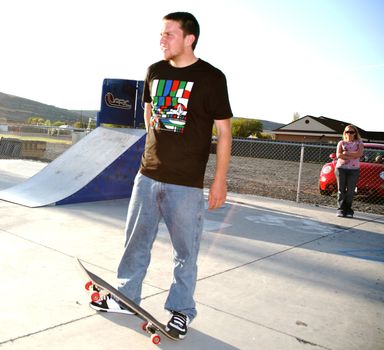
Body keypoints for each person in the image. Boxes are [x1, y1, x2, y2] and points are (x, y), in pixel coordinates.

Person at [90, 11, 233, 339]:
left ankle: (181, 310)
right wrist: (152, 129)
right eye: (161, 34)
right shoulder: (155, 71)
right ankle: (126, 296)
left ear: (189, 39)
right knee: (135, 241)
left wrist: (220, 179)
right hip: (148, 174)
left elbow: (224, 132)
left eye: (169, 34)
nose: (162, 40)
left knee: (186, 252)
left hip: (186, 183)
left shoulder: (212, 78)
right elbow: (148, 107)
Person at [334, 125, 364, 218]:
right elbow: (338, 155)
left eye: (351, 132)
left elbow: (359, 154)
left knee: (350, 191)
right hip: (341, 169)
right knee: (341, 190)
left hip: (354, 170)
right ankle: (341, 209)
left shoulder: (359, 142)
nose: (349, 134)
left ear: (355, 133)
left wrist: (346, 153)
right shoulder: (341, 142)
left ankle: (348, 210)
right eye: (347, 132)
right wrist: (352, 156)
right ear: (344, 133)